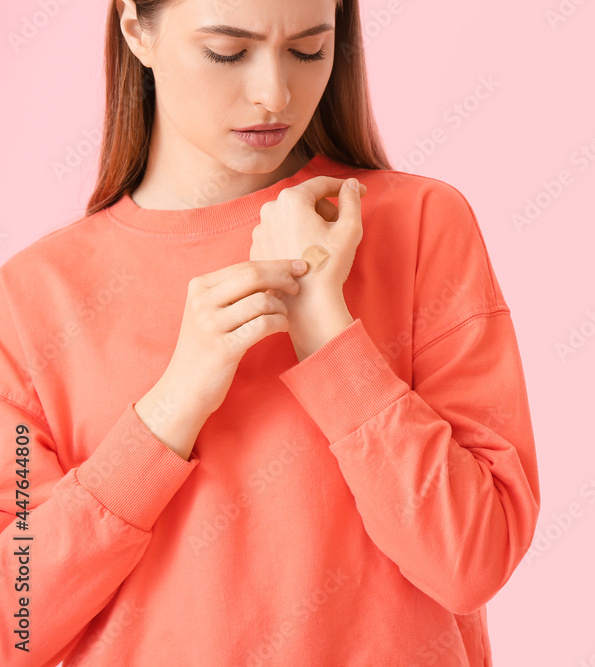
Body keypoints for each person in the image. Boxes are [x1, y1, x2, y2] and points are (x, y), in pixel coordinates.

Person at [0, 0, 540, 664]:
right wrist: (170, 409)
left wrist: (328, 334)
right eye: (228, 52)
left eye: (309, 50)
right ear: (136, 28)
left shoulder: (419, 224)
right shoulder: (29, 299)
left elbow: (472, 560)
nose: (275, 94)